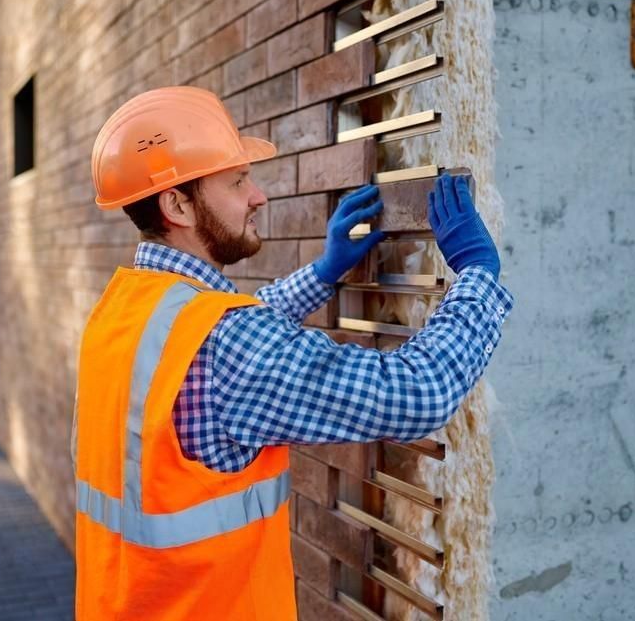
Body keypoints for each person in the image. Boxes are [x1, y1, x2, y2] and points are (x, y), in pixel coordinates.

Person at [73, 86, 513, 620]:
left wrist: (324, 273)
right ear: (177, 204)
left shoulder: (122, 312)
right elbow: (418, 395)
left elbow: (230, 337)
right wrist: (478, 278)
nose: (258, 196)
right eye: (237, 181)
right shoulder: (227, 342)